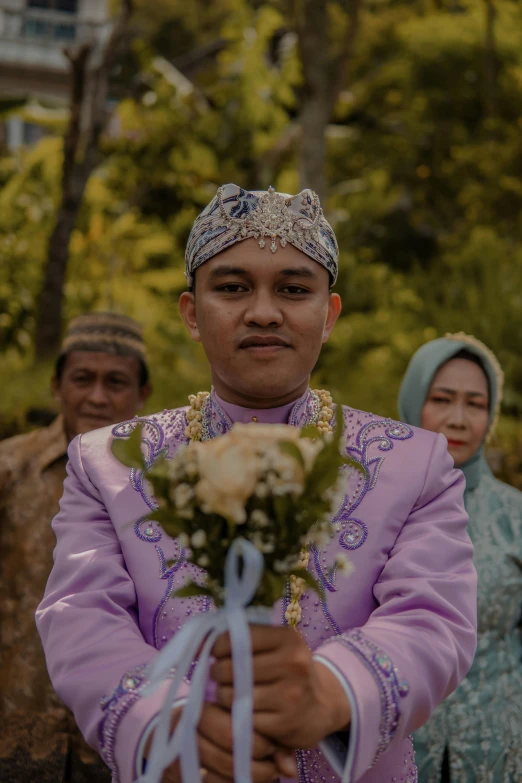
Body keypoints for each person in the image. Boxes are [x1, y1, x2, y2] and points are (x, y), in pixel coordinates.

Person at [37, 185, 477, 783]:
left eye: (294, 290)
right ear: (192, 313)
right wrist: (162, 723)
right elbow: (81, 617)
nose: (264, 311)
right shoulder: (110, 462)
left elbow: (434, 617)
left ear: (330, 314)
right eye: (232, 287)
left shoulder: (413, 463)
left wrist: (332, 692)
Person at [0, 312, 152, 783]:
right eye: (82, 379)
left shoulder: (167, 480)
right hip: (15, 722)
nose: (97, 397)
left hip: (123, 729)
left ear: (143, 393)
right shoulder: (8, 468)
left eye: (116, 382)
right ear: (57, 385)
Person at [398, 333, 522, 782]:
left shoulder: (515, 514)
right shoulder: (376, 509)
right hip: (402, 745)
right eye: (443, 399)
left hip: (501, 749)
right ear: (414, 401)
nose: (459, 419)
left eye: (475, 403)